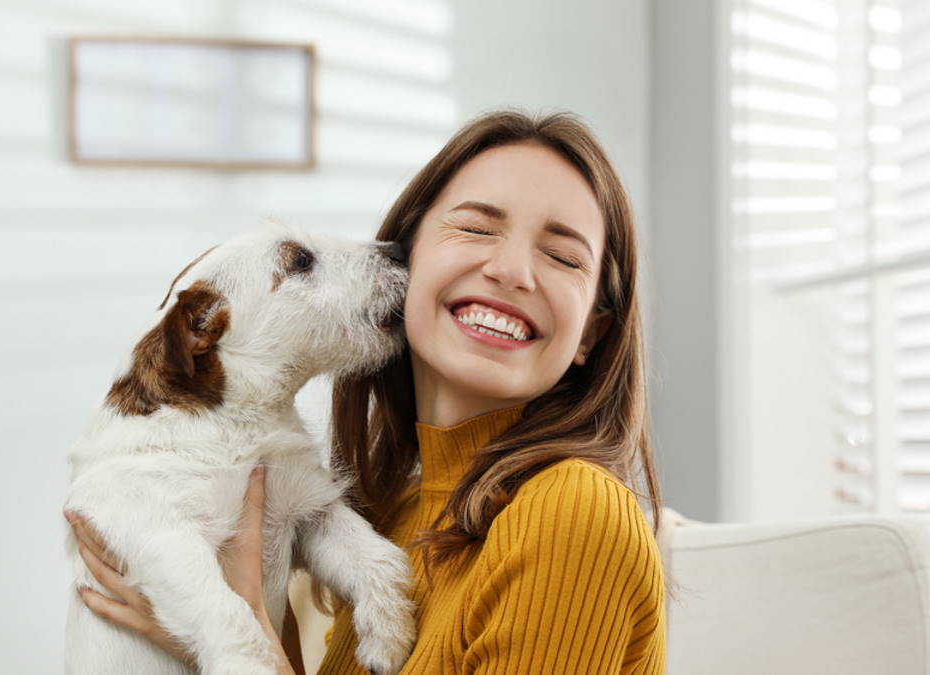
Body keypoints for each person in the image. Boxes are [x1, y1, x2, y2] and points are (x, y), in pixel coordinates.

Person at [66, 109, 667, 674]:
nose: (512, 270)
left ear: (590, 331)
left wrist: (235, 634)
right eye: (476, 227)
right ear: (408, 257)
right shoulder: (402, 512)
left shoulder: (573, 514)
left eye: (562, 256)